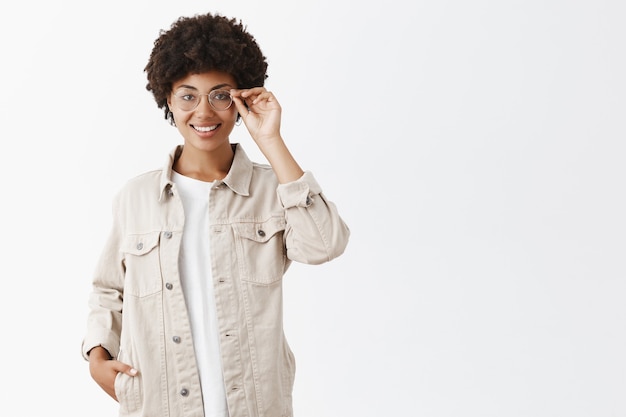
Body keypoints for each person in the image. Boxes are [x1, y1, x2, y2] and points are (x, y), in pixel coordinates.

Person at [81, 12, 350, 417]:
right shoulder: (136, 198)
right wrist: (97, 357)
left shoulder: (271, 191)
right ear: (168, 100)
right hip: (161, 403)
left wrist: (271, 140)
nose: (204, 112)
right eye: (188, 95)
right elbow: (108, 291)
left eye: (220, 95)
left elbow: (325, 244)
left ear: (241, 98)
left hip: (254, 405)